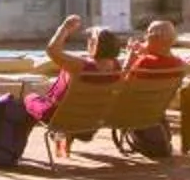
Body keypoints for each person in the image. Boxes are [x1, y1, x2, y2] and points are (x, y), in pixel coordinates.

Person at [28, 15, 125, 160]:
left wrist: (64, 29)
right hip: (91, 119)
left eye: (90, 40)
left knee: (29, 98)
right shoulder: (117, 67)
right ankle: (63, 144)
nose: (88, 42)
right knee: (71, 104)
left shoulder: (80, 66)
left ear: (95, 44)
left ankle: (16, 148)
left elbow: (52, 50)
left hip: (60, 116)